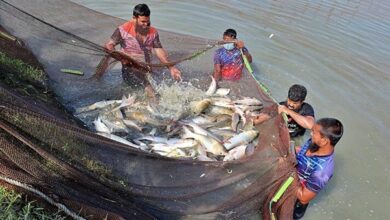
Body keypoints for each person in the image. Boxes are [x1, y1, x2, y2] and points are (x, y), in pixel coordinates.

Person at [104, 3, 181, 99]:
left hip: (146, 70)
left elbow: (159, 51)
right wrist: (119, 56)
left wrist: (171, 68)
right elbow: (109, 45)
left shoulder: (152, 32)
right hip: (130, 69)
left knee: (146, 95)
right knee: (151, 93)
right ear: (134, 18)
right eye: (143, 22)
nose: (146, 25)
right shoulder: (122, 30)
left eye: (148, 22)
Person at [293, 118, 343, 219]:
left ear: (324, 141)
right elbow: (301, 150)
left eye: (313, 132)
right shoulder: (314, 142)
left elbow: (303, 197)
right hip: (290, 180)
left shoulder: (322, 172)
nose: (311, 134)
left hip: (294, 203)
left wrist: (286, 175)